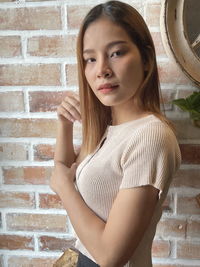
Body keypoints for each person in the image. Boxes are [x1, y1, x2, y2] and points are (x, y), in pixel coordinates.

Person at [50, 1, 181, 266]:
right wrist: (64, 124)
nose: (102, 70)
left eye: (117, 53)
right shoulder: (107, 128)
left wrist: (64, 188)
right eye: (90, 59)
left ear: (146, 59)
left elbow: (111, 256)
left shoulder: (150, 137)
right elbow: (63, 168)